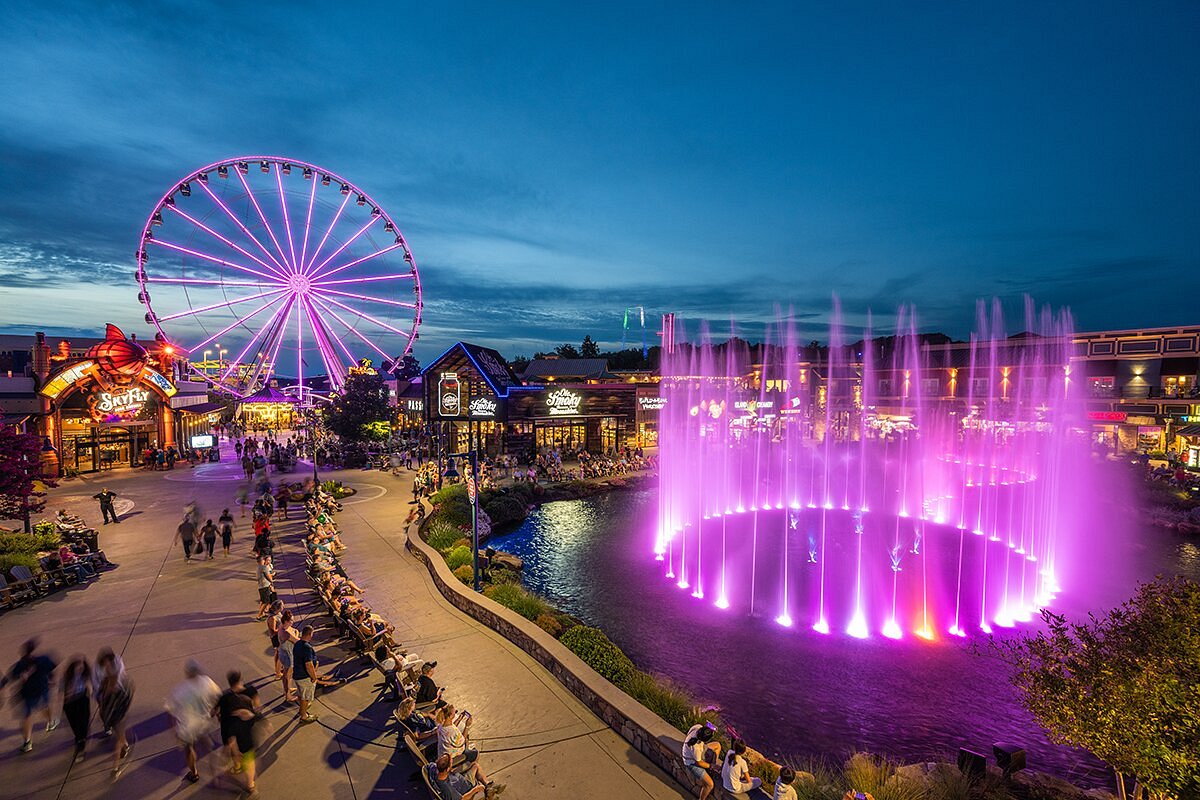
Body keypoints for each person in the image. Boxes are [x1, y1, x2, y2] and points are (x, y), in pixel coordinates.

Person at [165, 660, 221, 784]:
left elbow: (170, 711)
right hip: (204, 722)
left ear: (187, 673)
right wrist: (215, 712)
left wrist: (174, 730)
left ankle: (194, 773)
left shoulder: (180, 690)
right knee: (208, 748)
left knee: (189, 749)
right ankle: (215, 775)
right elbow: (218, 697)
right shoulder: (207, 682)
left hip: (188, 727)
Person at [2, 639, 58, 753]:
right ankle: (50, 723)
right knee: (40, 709)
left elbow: (8, 678)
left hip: (32, 693)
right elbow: (52, 668)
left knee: (29, 715)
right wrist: (51, 679)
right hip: (38, 691)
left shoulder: (23, 664)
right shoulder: (42, 660)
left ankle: (28, 742)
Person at [95, 648, 133, 778]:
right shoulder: (112, 685)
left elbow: (102, 699)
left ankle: (120, 757)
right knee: (119, 739)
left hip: (114, 715)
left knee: (120, 738)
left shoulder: (110, 684)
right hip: (115, 716)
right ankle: (118, 761)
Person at [215, 670, 249, 774]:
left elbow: (215, 711)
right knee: (241, 744)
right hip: (241, 726)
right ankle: (244, 762)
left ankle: (237, 766)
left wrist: (219, 717)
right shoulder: (245, 695)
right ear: (239, 681)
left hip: (227, 726)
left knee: (232, 746)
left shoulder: (224, 697)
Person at [61, 656, 92, 762]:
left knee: (83, 723)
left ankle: (81, 745)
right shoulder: (67, 677)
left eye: (81, 667)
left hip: (82, 700)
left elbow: (89, 686)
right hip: (71, 703)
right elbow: (63, 692)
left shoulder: (85, 675)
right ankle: (79, 740)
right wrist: (68, 694)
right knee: (75, 725)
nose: (80, 669)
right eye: (78, 667)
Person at [682, 723, 722, 800]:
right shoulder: (695, 748)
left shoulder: (697, 727)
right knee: (709, 784)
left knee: (717, 745)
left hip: (699, 750)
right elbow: (699, 762)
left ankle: (711, 770)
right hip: (691, 762)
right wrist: (711, 766)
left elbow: (688, 733)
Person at [277, 610, 298, 702]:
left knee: (288, 674)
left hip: (285, 652)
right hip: (287, 654)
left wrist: (294, 631)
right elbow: (297, 640)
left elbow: (292, 630)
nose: (292, 622)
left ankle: (288, 688)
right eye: (291, 621)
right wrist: (296, 633)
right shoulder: (285, 632)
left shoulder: (282, 626)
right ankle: (287, 695)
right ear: (286, 621)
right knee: (287, 675)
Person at [255, 555, 276, 620]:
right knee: (266, 601)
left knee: (263, 601)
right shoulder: (263, 567)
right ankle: (259, 616)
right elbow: (268, 576)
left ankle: (262, 613)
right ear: (262, 560)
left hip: (261, 586)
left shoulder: (258, 567)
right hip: (265, 586)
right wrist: (271, 581)